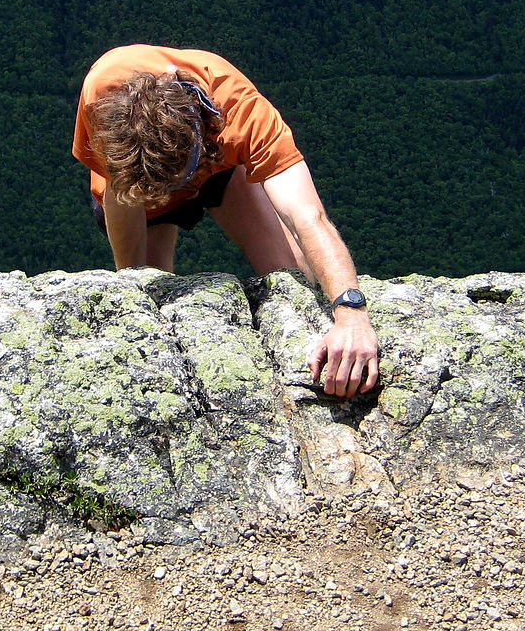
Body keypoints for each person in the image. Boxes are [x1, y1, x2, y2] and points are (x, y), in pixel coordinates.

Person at [72, 44, 380, 397]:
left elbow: (308, 217)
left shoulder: (241, 111)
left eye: (179, 180)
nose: (175, 193)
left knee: (292, 278)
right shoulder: (103, 91)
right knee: (147, 295)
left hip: (218, 170)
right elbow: (120, 187)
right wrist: (132, 289)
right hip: (133, 184)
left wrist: (351, 311)